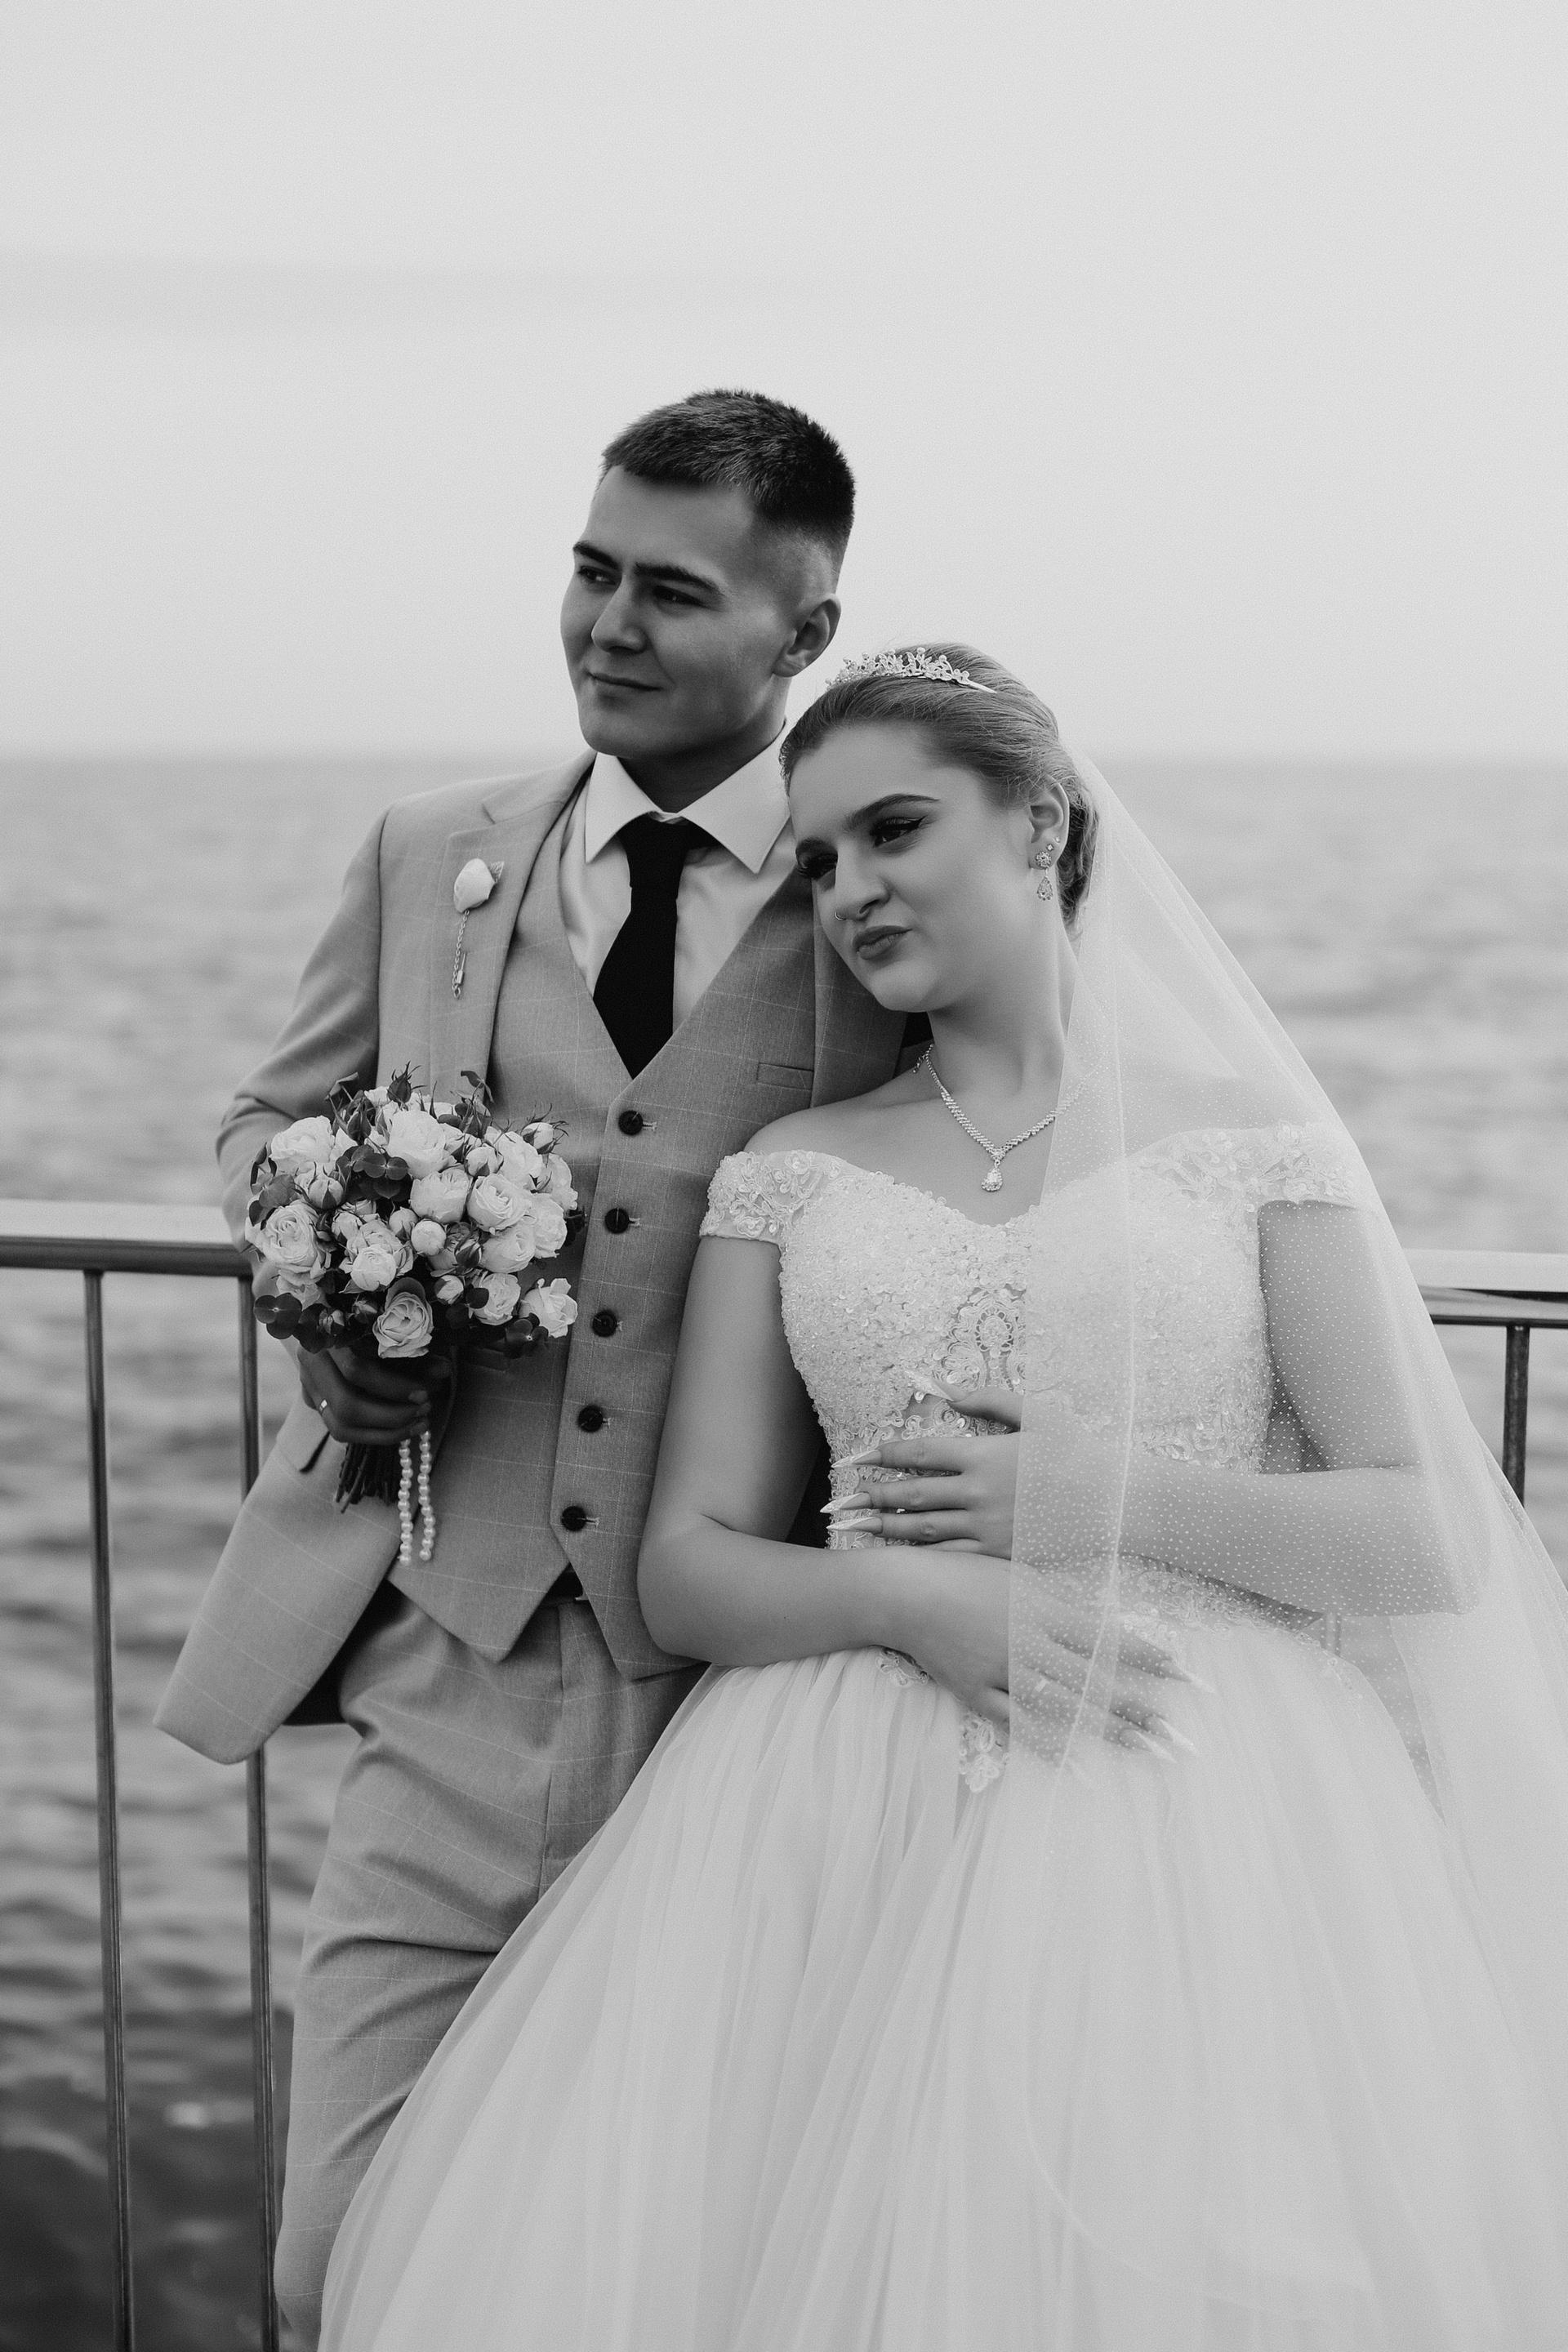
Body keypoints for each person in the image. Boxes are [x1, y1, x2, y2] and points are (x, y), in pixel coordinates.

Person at [321, 645, 1568, 2350]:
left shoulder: (1258, 1145)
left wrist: (1091, 1498)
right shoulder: (793, 1170)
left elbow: (1426, 1534)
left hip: (1203, 1803)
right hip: (839, 1801)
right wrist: (910, 1598)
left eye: (896, 830)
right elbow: (686, 1567)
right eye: (820, 859)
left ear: (1043, 823)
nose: (851, 889)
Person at [154, 390, 952, 2345]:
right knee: (341, 2260)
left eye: (672, 591)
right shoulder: (433, 855)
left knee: (682, 2260)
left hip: (745, 1698)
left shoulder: (875, 894)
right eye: (591, 571)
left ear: (803, 632)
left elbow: (990, 1173)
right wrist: (327, 1283)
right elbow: (264, 1123)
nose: (607, 623)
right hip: (447, 1654)